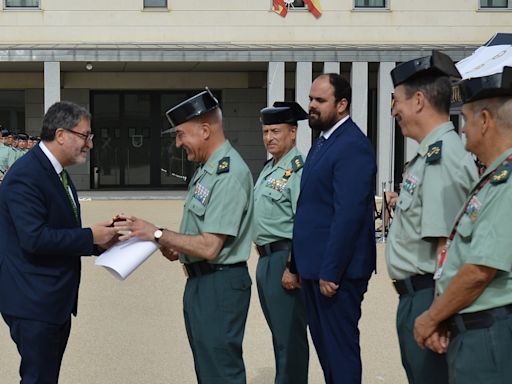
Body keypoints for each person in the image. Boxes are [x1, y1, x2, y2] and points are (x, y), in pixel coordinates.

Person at [117, 89, 254, 384]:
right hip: (202, 283)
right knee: (208, 371)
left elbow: (210, 246)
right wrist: (171, 245)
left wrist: (157, 232)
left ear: (205, 130)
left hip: (220, 284)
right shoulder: (207, 169)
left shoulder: (228, 174)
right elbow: (199, 235)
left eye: (181, 134)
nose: (178, 143)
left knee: (221, 373)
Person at [0, 101, 121, 384]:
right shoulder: (27, 175)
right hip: (33, 300)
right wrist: (90, 235)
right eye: (85, 135)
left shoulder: (54, 171)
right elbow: (34, 238)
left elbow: (61, 230)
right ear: (61, 134)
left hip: (51, 300)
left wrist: (101, 241)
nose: (89, 144)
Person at [385, 51, 479, 384]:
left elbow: (447, 248)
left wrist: (438, 315)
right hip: (419, 296)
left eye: (396, 101)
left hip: (429, 297)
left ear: (419, 101)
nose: (393, 110)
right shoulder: (430, 155)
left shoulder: (441, 158)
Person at [414, 66, 512, 383]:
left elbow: (479, 270)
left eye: (466, 119)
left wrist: (431, 317)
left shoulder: (506, 183)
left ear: (485, 120)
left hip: (488, 334)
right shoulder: (493, 177)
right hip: (474, 327)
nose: (464, 129)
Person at [291, 73, 377, 383]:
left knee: (340, 356)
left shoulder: (352, 145)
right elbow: (309, 209)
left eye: (319, 100)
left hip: (337, 274)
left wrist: (331, 271)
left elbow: (349, 215)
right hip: (314, 269)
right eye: (311, 98)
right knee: (328, 355)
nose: (311, 106)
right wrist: (295, 263)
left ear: (342, 105)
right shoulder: (324, 141)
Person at [253, 101, 309, 383]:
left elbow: (304, 222)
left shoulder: (297, 170)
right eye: (265, 132)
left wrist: (293, 266)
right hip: (265, 260)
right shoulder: (270, 168)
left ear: (293, 133)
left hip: (284, 259)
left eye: (275, 131)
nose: (269, 138)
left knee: (290, 338)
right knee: (279, 334)